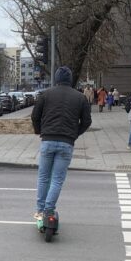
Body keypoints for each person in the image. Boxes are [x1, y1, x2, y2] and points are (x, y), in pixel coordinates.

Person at [31, 66, 92, 222]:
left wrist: (39, 131)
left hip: (48, 139)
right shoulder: (80, 97)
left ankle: (40, 210)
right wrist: (74, 134)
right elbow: (86, 121)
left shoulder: (45, 95)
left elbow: (35, 116)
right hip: (67, 142)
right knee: (57, 179)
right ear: (70, 80)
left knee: (44, 177)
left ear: (56, 79)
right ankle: (49, 210)